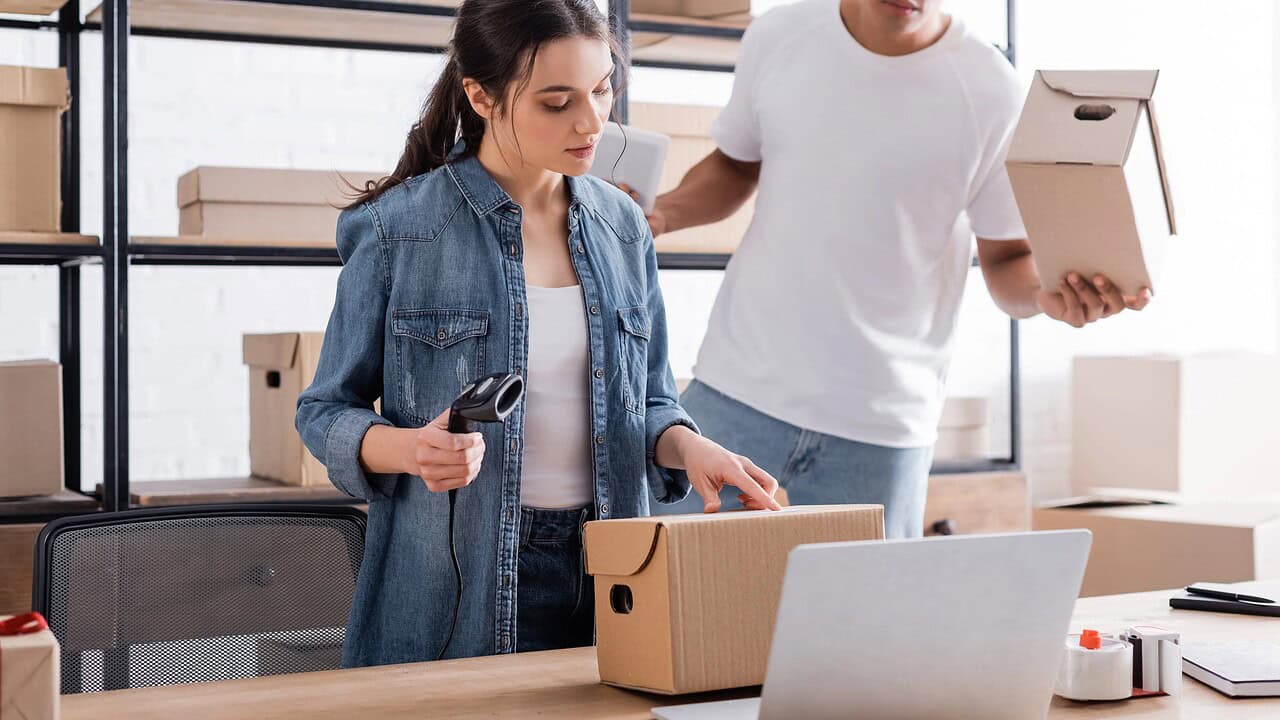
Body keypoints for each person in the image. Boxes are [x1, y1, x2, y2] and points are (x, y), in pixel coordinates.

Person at [295, 0, 780, 669]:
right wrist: (410, 449)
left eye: (602, 90)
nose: (592, 122)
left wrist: (688, 446)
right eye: (557, 103)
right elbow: (324, 411)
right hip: (452, 595)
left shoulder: (623, 227)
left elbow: (648, 401)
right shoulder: (398, 231)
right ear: (481, 97)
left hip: (612, 572)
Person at [642, 0, 1150, 536]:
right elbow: (735, 164)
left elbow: (1006, 258)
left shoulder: (992, 90)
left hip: (881, 427)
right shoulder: (780, 35)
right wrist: (660, 215)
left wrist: (1047, 297)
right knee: (658, 577)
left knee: (868, 595)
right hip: (737, 388)